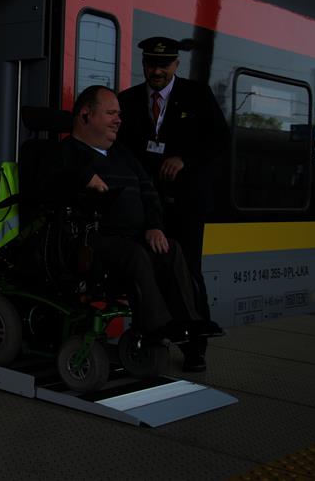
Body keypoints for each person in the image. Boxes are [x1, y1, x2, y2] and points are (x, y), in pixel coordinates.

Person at [60, 85, 223, 344]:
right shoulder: (64, 152)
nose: (118, 120)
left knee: (170, 249)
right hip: (89, 240)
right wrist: (82, 177)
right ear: (85, 115)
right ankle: (156, 326)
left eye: (119, 114)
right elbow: (48, 182)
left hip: (132, 238)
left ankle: (189, 322)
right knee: (134, 254)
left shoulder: (123, 154)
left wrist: (154, 226)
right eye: (111, 113)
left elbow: (149, 192)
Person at [117, 36, 230, 371]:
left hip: (188, 204)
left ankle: (196, 348)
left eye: (164, 65)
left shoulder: (197, 96)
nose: (157, 70)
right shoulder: (129, 100)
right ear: (143, 65)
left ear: (176, 66)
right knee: (148, 272)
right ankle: (152, 337)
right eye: (151, 63)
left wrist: (185, 160)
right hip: (148, 207)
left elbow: (220, 140)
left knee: (189, 272)